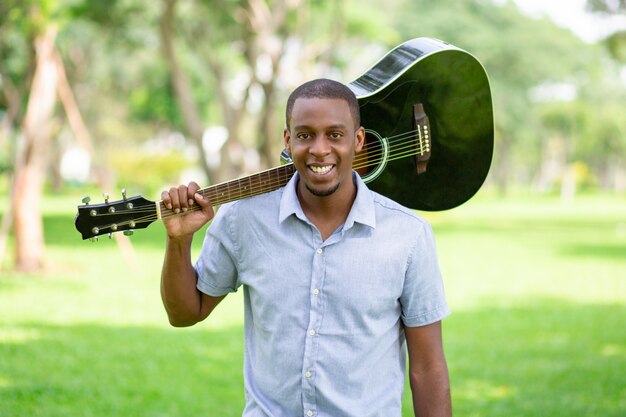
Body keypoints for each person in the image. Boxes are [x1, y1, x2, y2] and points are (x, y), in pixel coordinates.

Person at [160, 78, 452, 417]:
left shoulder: (407, 235)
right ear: (288, 140)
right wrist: (178, 242)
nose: (319, 149)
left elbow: (428, 368)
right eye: (305, 135)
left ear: (359, 140)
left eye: (335, 134)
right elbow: (184, 313)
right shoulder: (242, 219)